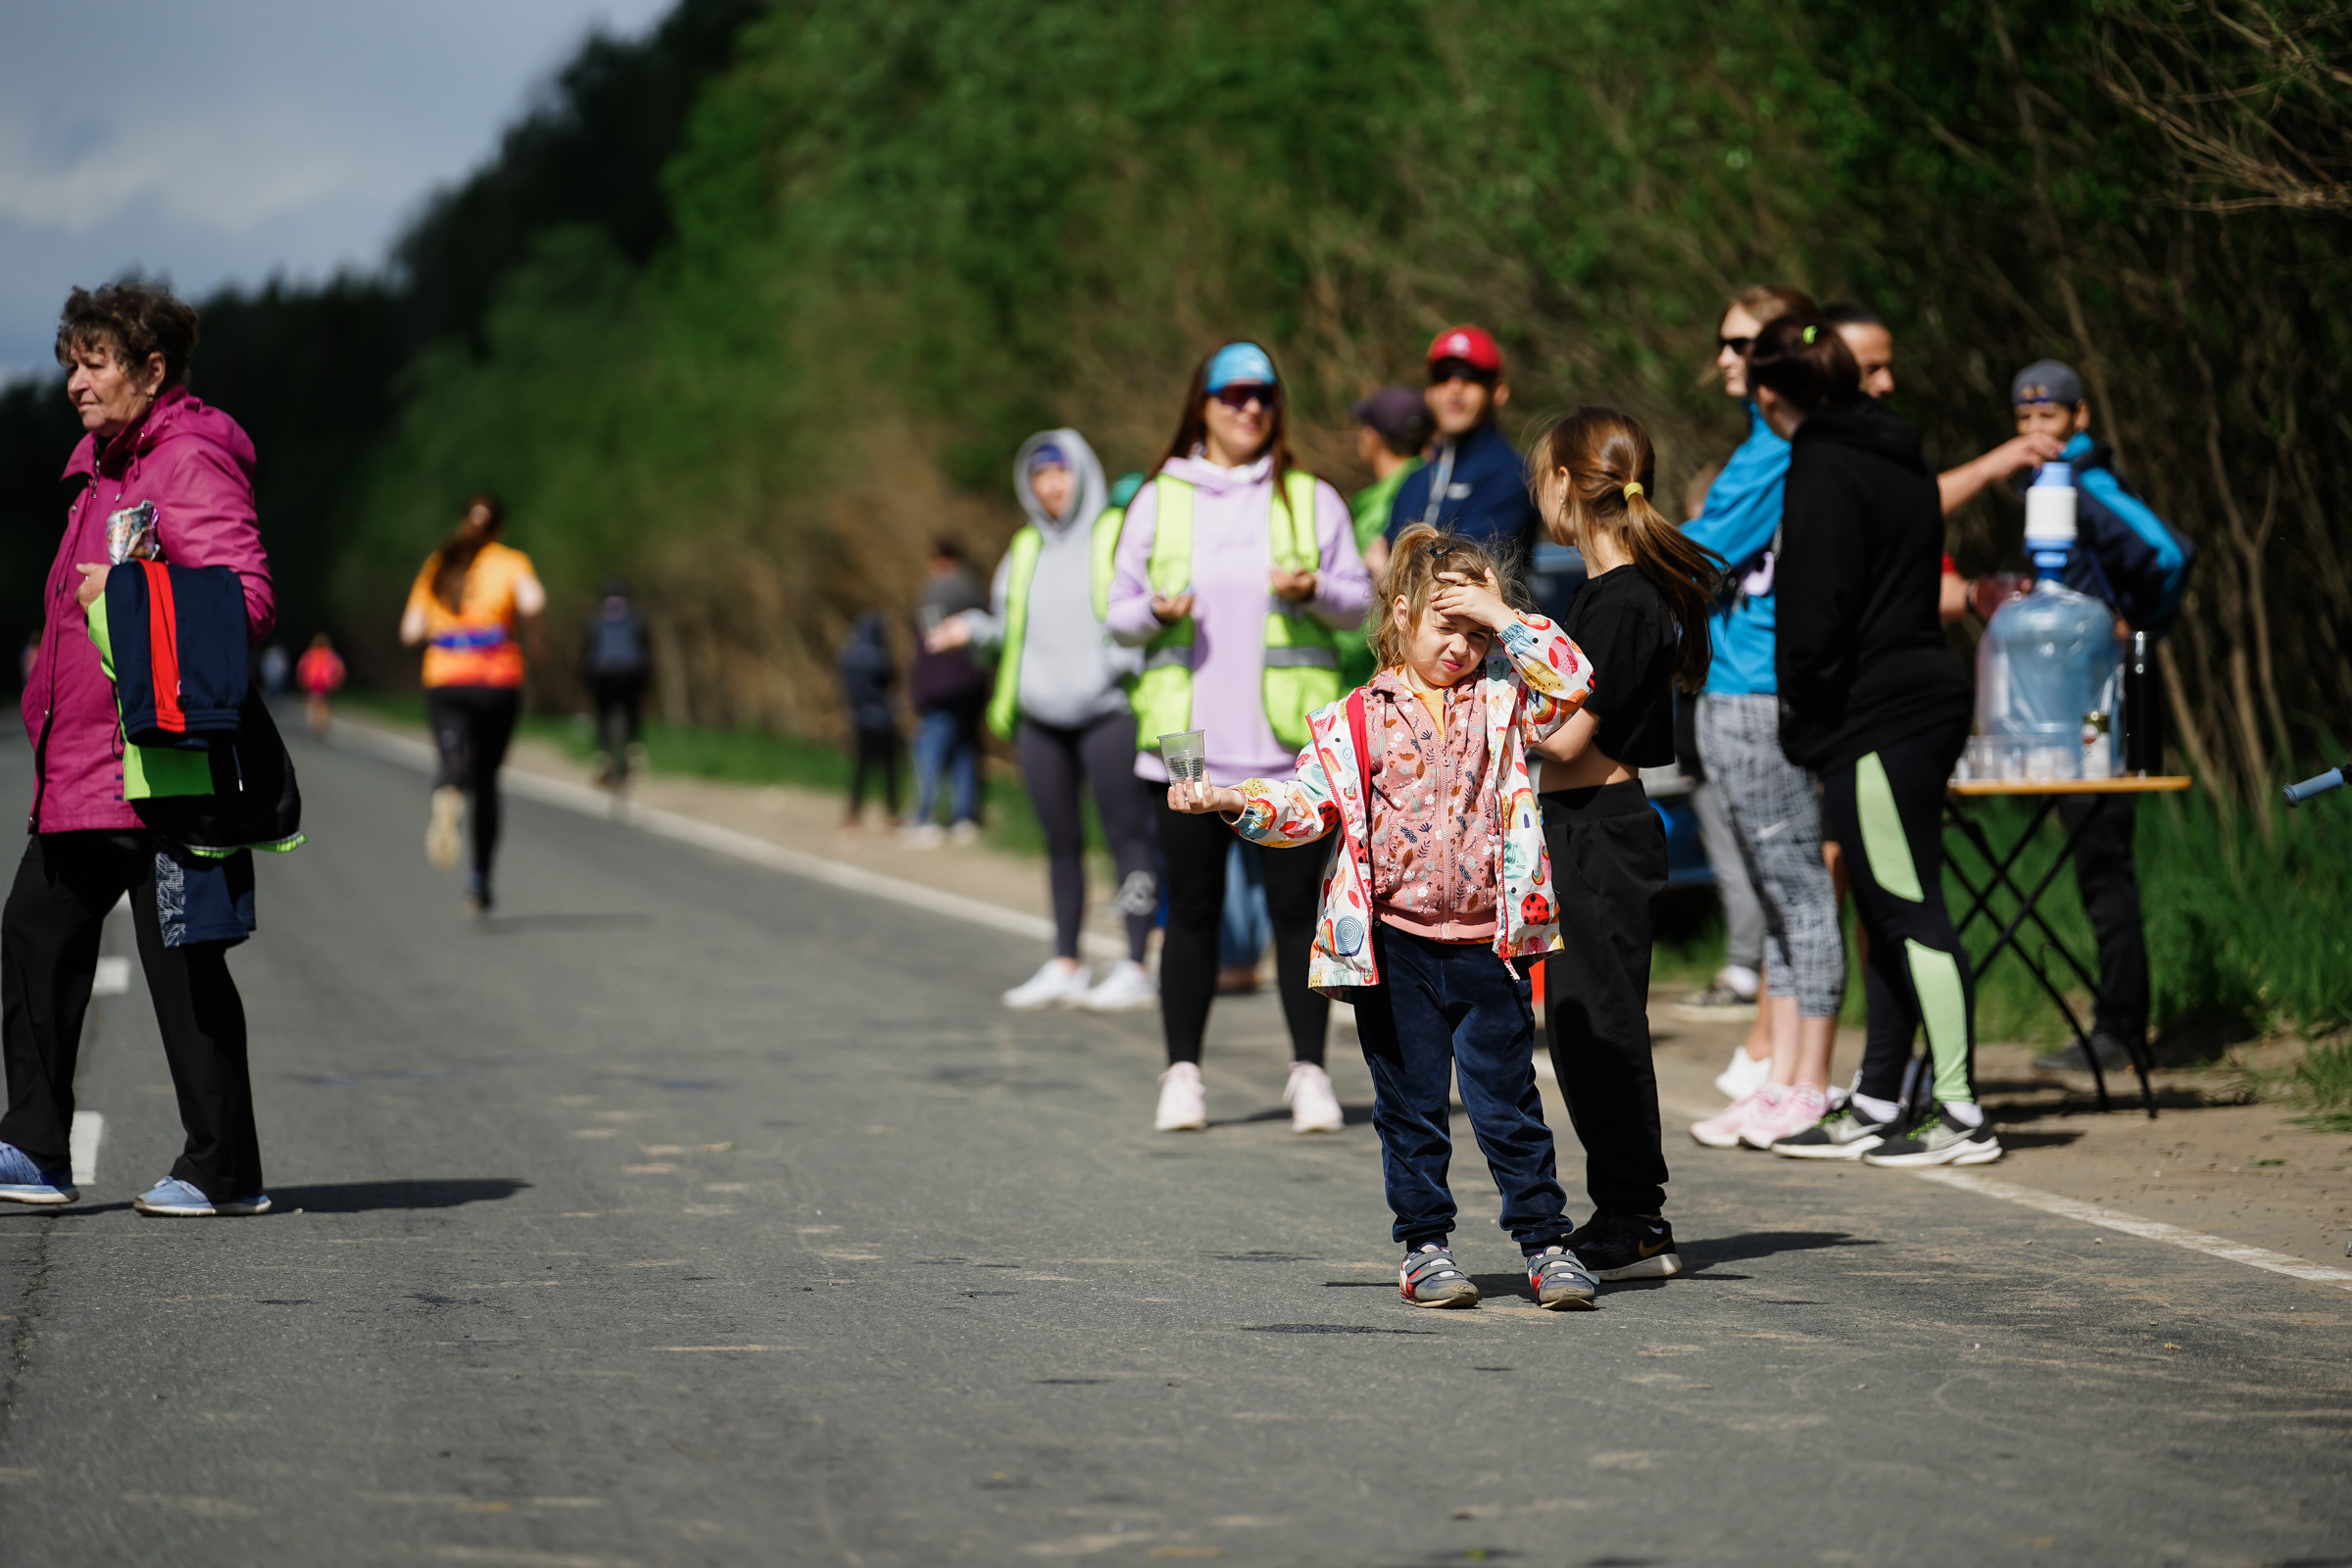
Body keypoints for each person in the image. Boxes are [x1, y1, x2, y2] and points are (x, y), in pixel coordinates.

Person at [1167, 524, 1601, 1308]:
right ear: (1401, 615)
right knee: (1411, 1109)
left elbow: (1573, 681)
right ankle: (1426, 1247)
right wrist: (1230, 798)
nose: (1463, 648)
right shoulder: (1355, 719)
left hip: (1490, 943)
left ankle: (1545, 1242)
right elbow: (1305, 805)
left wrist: (1503, 617)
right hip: (1392, 947)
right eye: (1448, 626)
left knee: (1509, 1107)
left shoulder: (1504, 706)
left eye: (1477, 633)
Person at [0, 279, 276, 1217]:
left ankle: (223, 1171)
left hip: (164, 768)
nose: (77, 381)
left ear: (152, 370)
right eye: (70, 363)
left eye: (97, 362)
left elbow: (246, 602)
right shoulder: (100, 467)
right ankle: (34, 1149)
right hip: (83, 767)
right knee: (33, 937)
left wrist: (119, 599)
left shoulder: (189, 458)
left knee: (185, 966)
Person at [1745, 317, 1997, 1166]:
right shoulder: (1895, 449)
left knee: (1910, 906)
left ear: (1771, 393)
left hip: (1881, 712)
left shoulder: (1819, 462)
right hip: (1916, 696)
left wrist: (1804, 718)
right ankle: (1880, 1096)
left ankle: (1960, 1108)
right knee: (1889, 912)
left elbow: (1815, 611)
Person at [1105, 342, 1372, 1132]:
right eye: (1232, 395)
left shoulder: (1310, 497)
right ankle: (1181, 1075)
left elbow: (1359, 604)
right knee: (1191, 913)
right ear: (1203, 404)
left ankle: (1310, 1075)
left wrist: (1316, 589)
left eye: (1263, 395)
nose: (1249, 407)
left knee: (1298, 919)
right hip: (1185, 752)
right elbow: (1116, 617)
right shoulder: (1159, 498)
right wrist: (1155, 610)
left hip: (1286, 757)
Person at [1949, 360, 2193, 1076]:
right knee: (2087, 863)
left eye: (2048, 418)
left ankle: (2121, 1029)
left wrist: (2137, 627)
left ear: (2079, 418)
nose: (2035, 433)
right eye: (2023, 421)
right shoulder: (2043, 488)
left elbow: (2167, 553)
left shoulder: (2088, 484)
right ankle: (2113, 1023)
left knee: (2103, 861)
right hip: (2052, 711)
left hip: (2101, 704)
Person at [1527, 408, 1723, 1282]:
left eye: (1542, 477)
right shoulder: (1600, 595)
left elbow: (1568, 740)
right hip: (1573, 829)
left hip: (1604, 831)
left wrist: (1500, 660)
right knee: (1572, 1027)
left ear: (1566, 483)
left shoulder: (1627, 601)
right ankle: (1621, 1209)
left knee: (1601, 1025)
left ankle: (1636, 1218)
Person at [1681, 285, 1850, 1154]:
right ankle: (1782, 1078)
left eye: (1743, 345)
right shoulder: (1757, 446)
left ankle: (1805, 1084)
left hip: (1761, 693)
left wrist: (1611, 524)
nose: (1726, 359)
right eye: (1725, 343)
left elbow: (1698, 555)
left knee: (1799, 893)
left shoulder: (1787, 451)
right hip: (1730, 688)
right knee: (1778, 897)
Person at [938, 431, 1159, 1012]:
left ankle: (1136, 964)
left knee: (1126, 838)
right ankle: (1066, 962)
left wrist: (1115, 667)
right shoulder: (1024, 548)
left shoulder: (1114, 533)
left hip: (1107, 713)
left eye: (1061, 472)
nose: (1052, 485)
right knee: (1059, 842)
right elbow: (1007, 629)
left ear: (1082, 474)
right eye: (1040, 475)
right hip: (1040, 719)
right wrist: (972, 631)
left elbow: (1141, 614)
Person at [402, 494, 545, 912]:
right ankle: (479, 880)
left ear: (464, 522)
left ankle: (448, 786)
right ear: (499, 528)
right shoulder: (511, 562)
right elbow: (534, 602)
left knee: (454, 761)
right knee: (488, 781)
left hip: (446, 677)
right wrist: (534, 637)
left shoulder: (439, 562)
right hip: (496, 679)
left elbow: (409, 631)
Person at [1377, 327, 1543, 581]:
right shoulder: (1414, 480)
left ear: (1498, 391)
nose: (1455, 388)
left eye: (1470, 376)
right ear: (1430, 392)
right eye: (1442, 376)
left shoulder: (1513, 475)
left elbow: (1465, 569)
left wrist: (1389, 568)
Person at [1338, 387, 1429, 686]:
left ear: (1373, 436)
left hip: (1374, 668)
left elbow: (1375, 599)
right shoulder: (1432, 485)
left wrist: (1340, 647)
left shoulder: (1382, 506)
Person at [903, 540, 989, 848]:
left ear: (939, 558)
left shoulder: (934, 589)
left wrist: (918, 689)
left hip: (942, 685)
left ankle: (924, 816)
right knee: (965, 748)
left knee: (928, 748)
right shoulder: (975, 588)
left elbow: (930, 645)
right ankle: (965, 817)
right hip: (973, 682)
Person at [578, 577, 652, 790]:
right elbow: (646, 649)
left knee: (602, 712)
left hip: (602, 672)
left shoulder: (596, 618)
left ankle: (604, 755)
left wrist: (584, 680)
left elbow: (586, 651)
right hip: (631, 671)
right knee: (632, 708)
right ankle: (633, 749)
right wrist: (646, 679)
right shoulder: (636, 617)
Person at [836, 612, 902, 836]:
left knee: (860, 771)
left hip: (860, 720)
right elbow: (891, 679)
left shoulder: (849, 656)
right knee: (889, 772)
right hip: (883, 721)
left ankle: (853, 816)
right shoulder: (880, 657)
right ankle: (891, 815)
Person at [295, 632, 345, 735]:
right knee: (324, 704)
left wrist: (300, 679)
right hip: (327, 682)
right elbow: (340, 669)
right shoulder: (331, 654)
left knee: (312, 702)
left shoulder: (310, 653)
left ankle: (313, 721)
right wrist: (338, 682)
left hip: (311, 682)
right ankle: (321, 723)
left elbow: (301, 667)